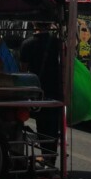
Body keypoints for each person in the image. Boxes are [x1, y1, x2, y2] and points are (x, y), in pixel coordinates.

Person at [19, 22, 63, 159]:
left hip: (37, 91)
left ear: (33, 24)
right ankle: (51, 157)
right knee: (53, 127)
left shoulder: (27, 44)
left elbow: (23, 70)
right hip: (55, 89)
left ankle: (45, 156)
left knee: (42, 125)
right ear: (50, 24)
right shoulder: (57, 43)